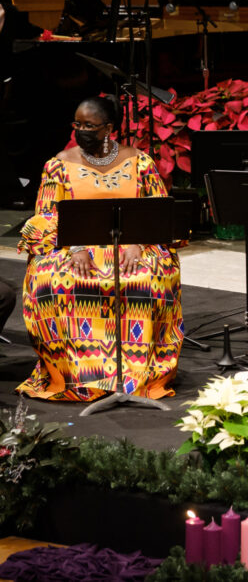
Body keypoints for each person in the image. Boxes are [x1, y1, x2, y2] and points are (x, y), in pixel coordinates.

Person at [17, 96, 183, 401]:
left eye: (89, 125)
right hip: (74, 247)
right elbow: (46, 215)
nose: (81, 130)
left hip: (132, 245)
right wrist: (74, 245)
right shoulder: (58, 165)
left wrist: (139, 241)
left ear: (109, 128)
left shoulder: (140, 161)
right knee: (54, 282)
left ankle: (136, 377)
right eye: (77, 124)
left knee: (147, 278)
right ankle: (76, 379)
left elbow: (158, 212)